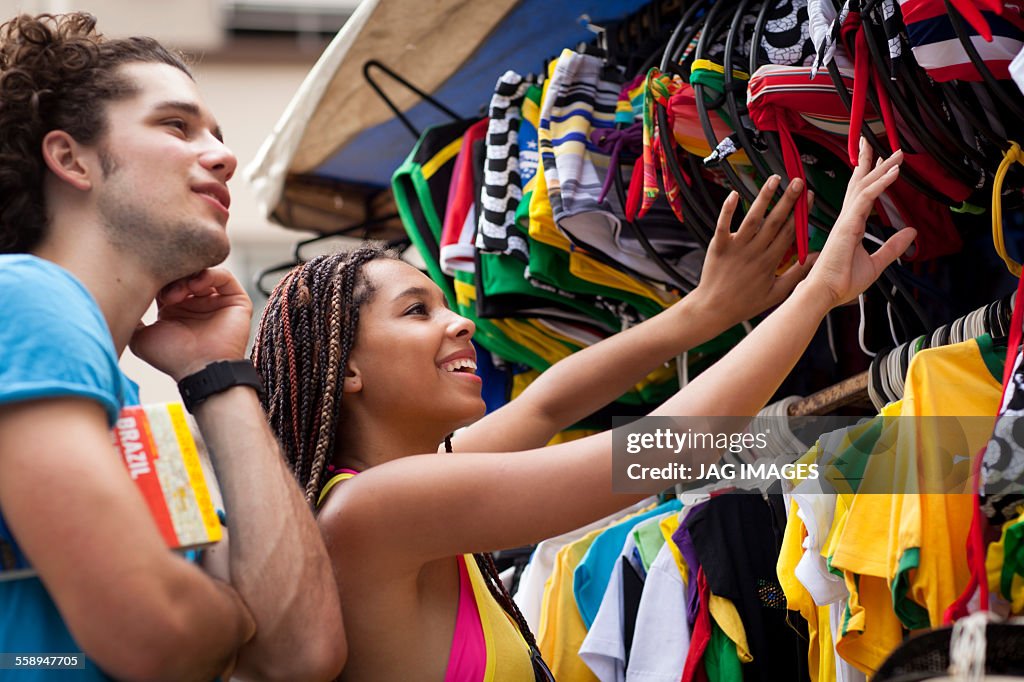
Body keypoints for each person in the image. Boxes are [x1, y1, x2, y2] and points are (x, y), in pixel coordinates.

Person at [252, 133, 914, 681]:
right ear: (347, 371)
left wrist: (703, 313)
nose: (460, 325)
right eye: (416, 311)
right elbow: (663, 447)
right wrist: (820, 290)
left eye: (447, 305)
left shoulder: (395, 487)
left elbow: (547, 405)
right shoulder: (378, 506)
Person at [0, 12, 344, 681]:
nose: (223, 154)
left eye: (216, 133)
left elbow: (301, 654)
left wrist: (218, 375)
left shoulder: (125, 409)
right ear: (70, 158)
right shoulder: (26, 296)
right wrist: (232, 615)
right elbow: (155, 633)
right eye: (176, 126)